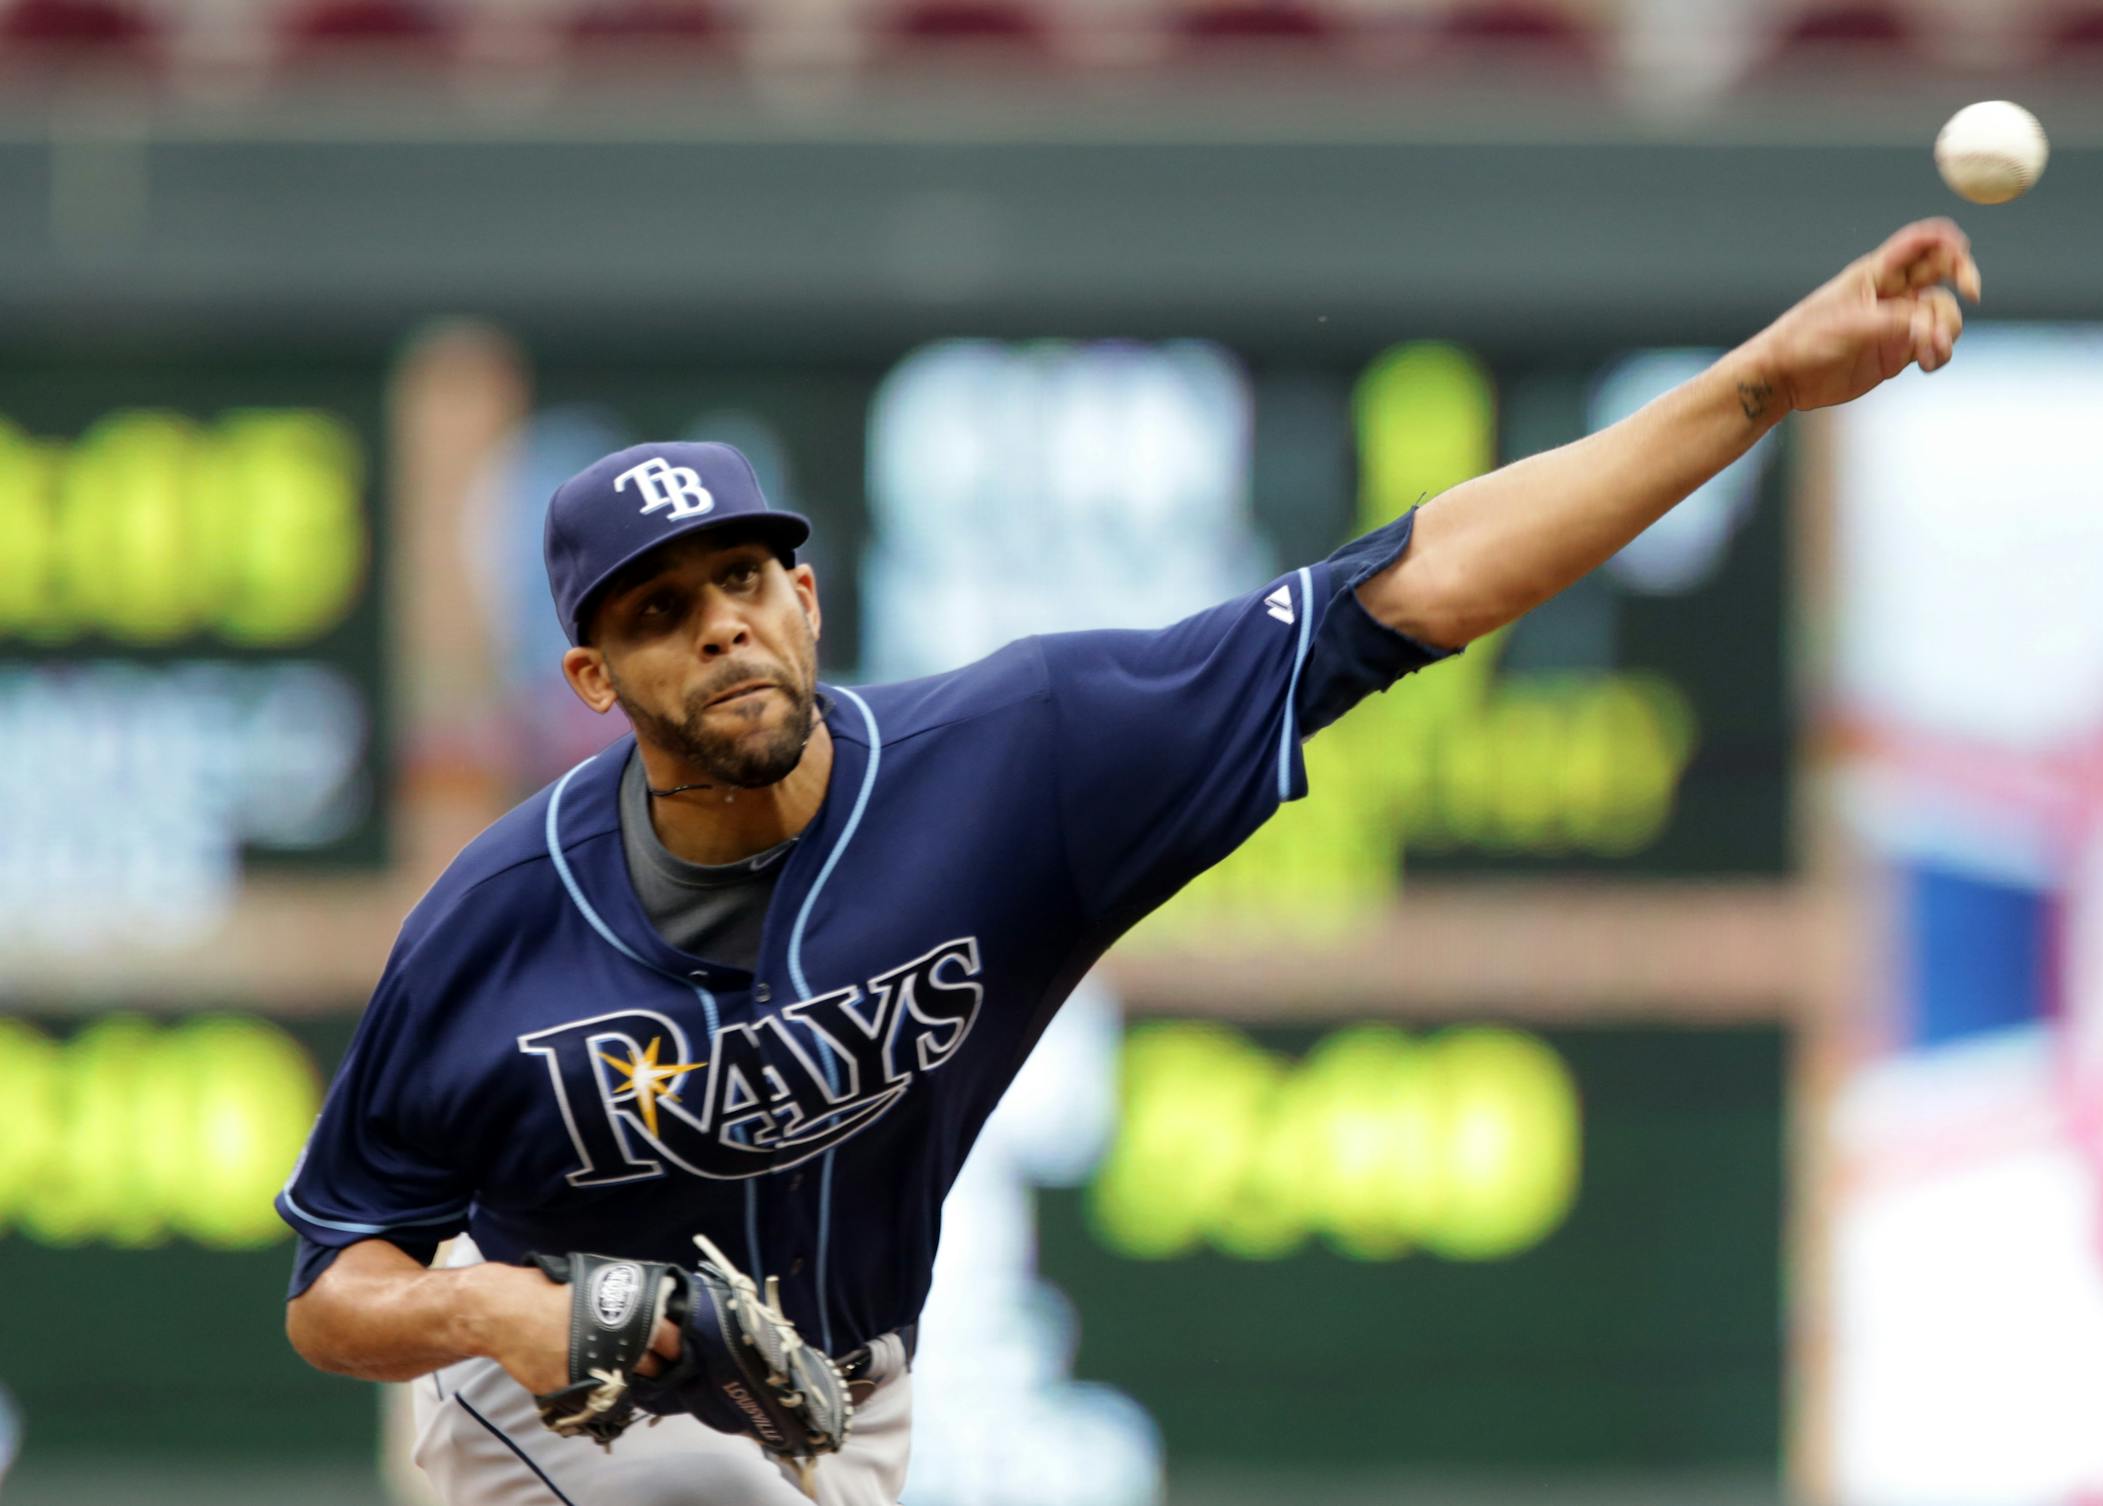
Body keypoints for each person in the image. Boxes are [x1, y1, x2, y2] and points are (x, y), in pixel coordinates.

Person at [278, 221, 1980, 1506]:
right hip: (565, 1428)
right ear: (594, 681)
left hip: (841, 1410)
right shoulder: (498, 921)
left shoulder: (1019, 761)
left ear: (808, 595)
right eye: (659, 610)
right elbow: (336, 1288)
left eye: (743, 579)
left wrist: (1757, 382)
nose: (718, 625)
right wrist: (500, 1311)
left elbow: (1415, 586)